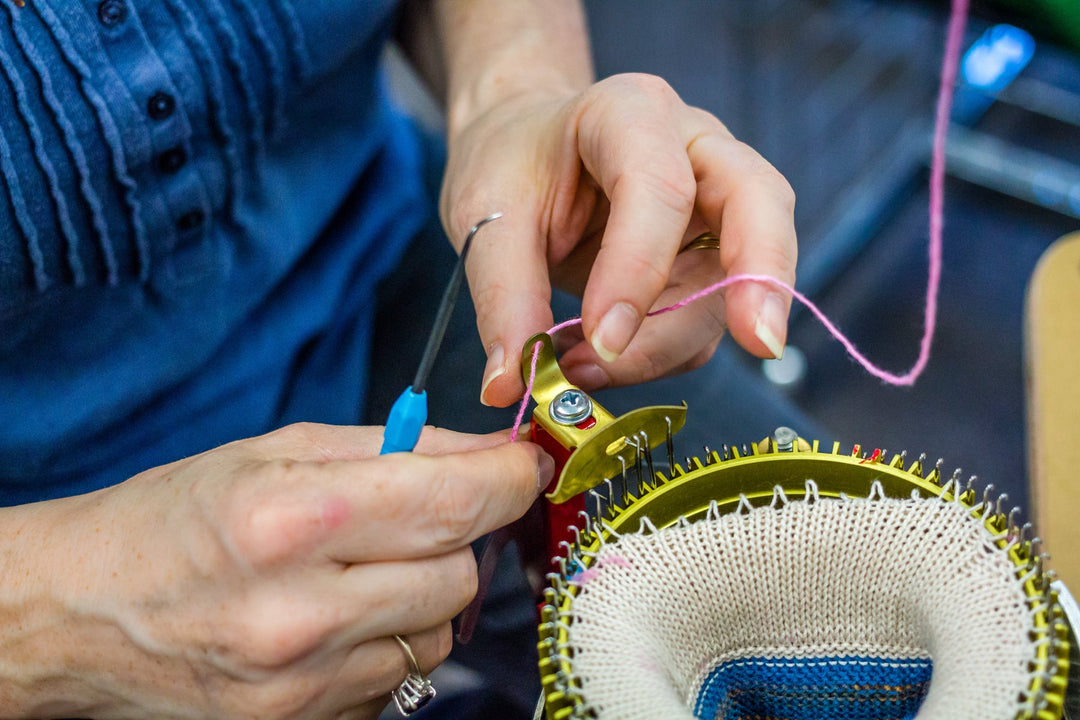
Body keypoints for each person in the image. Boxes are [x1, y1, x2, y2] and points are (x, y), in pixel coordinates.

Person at [0, 1, 798, 718]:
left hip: (396, 261)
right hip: (55, 542)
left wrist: (515, 92)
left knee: (816, 592)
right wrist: (47, 622)